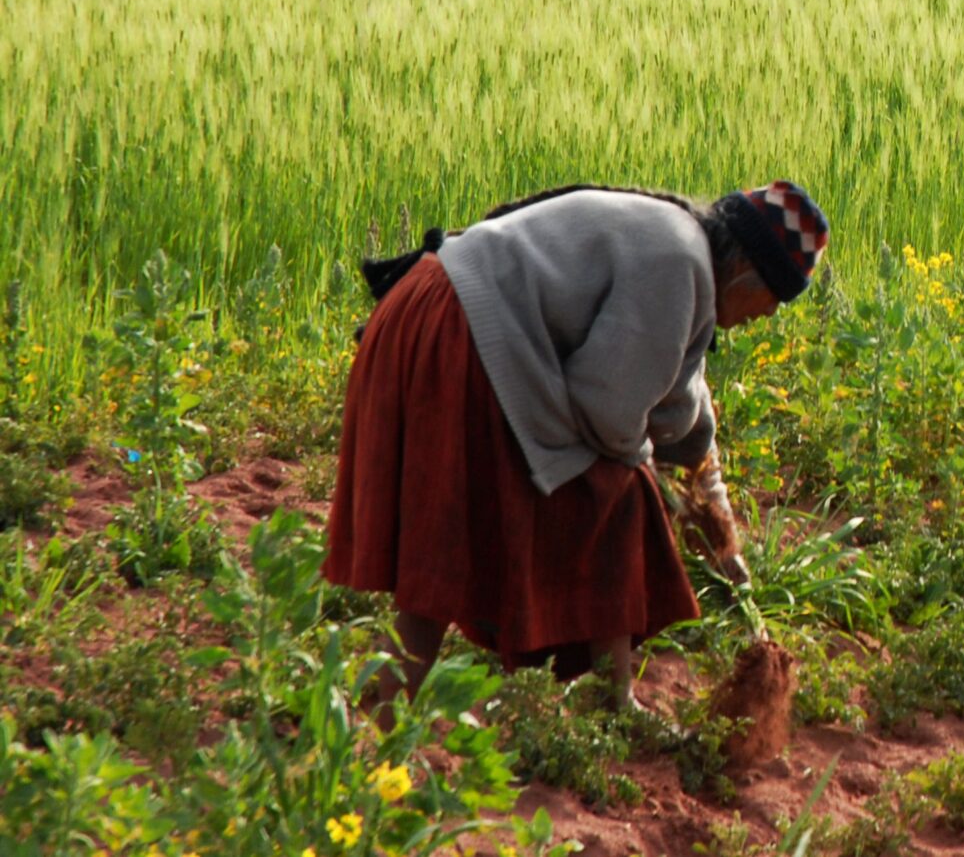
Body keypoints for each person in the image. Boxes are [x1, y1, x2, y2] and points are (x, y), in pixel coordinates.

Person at [322, 181, 829, 707]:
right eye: (773, 298)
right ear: (745, 269)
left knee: (473, 537)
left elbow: (691, 423)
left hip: (435, 314)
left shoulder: (685, 258)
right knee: (576, 510)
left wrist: (725, 546)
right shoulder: (678, 266)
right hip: (457, 333)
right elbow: (607, 411)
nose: (768, 315)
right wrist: (652, 478)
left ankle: (608, 700)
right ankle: (394, 722)